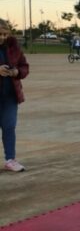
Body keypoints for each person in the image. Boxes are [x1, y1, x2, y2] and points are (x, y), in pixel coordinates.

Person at [0, 19, 29, 172]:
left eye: (5, 34)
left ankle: (10, 159)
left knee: (9, 127)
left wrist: (17, 72)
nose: (2, 37)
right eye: (0, 34)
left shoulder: (14, 47)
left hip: (10, 96)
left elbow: (24, 66)